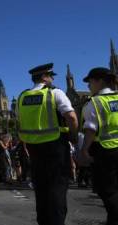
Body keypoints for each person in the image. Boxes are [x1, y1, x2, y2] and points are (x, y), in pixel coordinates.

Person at [17, 63, 78, 225]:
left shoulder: (22, 97)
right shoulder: (54, 93)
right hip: (56, 147)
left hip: (34, 149)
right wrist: (73, 136)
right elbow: (71, 117)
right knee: (57, 189)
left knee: (41, 190)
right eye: (51, 76)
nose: (52, 79)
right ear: (45, 77)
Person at [80, 67, 118, 225]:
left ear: (99, 81)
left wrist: (84, 150)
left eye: (90, 82)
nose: (88, 86)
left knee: (108, 192)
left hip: (105, 151)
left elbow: (90, 130)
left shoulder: (94, 103)